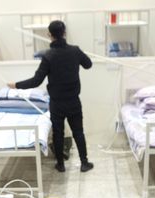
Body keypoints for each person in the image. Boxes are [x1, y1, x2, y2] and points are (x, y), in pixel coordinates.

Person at [9, 20, 93, 173]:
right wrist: (78, 55)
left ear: (49, 35)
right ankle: (84, 163)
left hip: (57, 103)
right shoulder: (75, 51)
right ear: (65, 33)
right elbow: (88, 64)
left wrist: (16, 85)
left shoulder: (48, 56)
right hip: (73, 101)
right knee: (78, 132)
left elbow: (36, 81)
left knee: (58, 133)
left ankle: (60, 164)